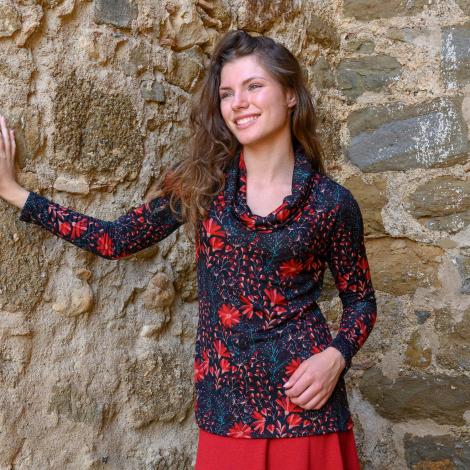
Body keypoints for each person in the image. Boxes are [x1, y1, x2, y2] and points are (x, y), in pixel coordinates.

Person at [0, 29, 377, 470]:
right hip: (226, 406)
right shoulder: (203, 185)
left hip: (307, 404)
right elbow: (114, 239)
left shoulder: (331, 203)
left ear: (290, 94)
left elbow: (361, 301)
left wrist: (336, 356)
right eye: (227, 93)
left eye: (254, 86)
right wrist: (15, 193)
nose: (238, 103)